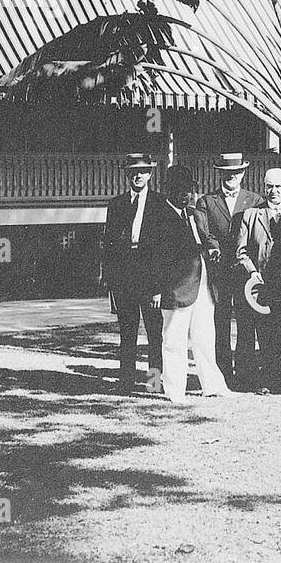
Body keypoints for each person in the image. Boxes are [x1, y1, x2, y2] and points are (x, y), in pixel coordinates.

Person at [155, 165, 239, 404]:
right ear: (168, 190)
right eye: (179, 190)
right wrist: (156, 290)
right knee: (174, 340)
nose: (185, 194)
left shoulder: (194, 214)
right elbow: (154, 258)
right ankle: (175, 390)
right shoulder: (158, 217)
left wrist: (211, 249)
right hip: (176, 288)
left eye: (188, 190)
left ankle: (212, 385)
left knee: (205, 337)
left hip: (203, 285)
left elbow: (205, 239)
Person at [102, 152, 168, 393]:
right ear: (127, 175)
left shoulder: (160, 203)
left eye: (143, 171)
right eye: (133, 172)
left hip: (150, 279)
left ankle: (154, 383)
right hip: (124, 279)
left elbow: (163, 248)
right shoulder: (117, 204)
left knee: (154, 334)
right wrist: (110, 282)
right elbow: (109, 244)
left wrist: (159, 286)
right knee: (127, 333)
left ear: (150, 174)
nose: (138, 175)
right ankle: (126, 382)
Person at [196, 152, 261, 390]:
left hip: (244, 270)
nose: (231, 177)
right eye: (226, 173)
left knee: (246, 322)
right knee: (220, 322)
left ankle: (245, 375)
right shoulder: (206, 201)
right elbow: (205, 232)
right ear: (220, 174)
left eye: (236, 172)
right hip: (219, 270)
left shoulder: (255, 200)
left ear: (243, 173)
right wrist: (214, 248)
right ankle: (222, 375)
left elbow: (257, 233)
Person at [235, 167, 281, 393]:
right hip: (263, 285)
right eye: (269, 186)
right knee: (267, 333)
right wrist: (252, 272)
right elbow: (241, 251)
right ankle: (272, 380)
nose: (274, 191)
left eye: (278, 186)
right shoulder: (251, 214)